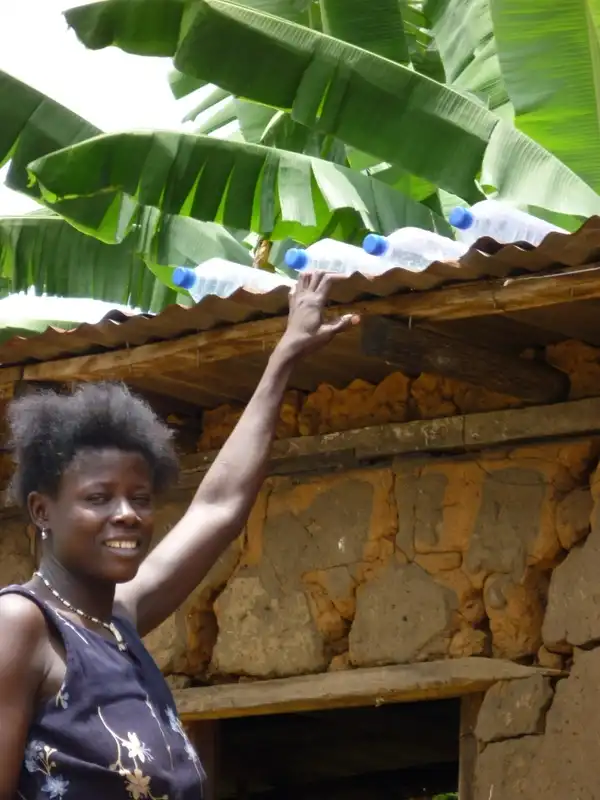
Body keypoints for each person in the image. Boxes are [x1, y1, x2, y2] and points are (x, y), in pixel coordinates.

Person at [0, 272, 359, 800]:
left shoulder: (116, 622)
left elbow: (218, 506)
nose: (126, 515)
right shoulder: (21, 625)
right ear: (42, 510)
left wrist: (282, 361)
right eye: (98, 498)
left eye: (140, 498)